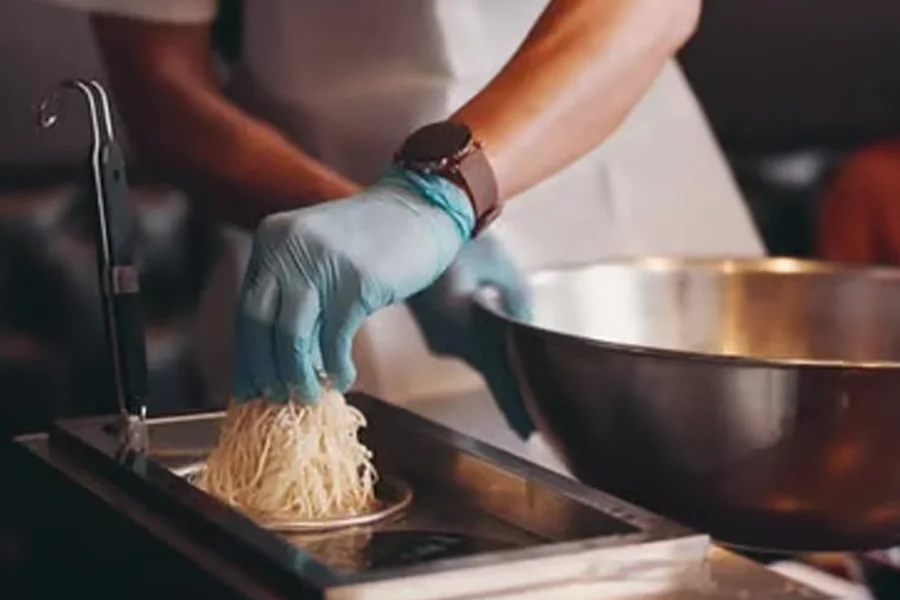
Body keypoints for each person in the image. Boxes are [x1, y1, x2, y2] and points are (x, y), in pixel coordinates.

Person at [44, 0, 763, 459]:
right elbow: (162, 87)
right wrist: (355, 215)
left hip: (627, 219)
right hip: (325, 244)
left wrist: (435, 197)